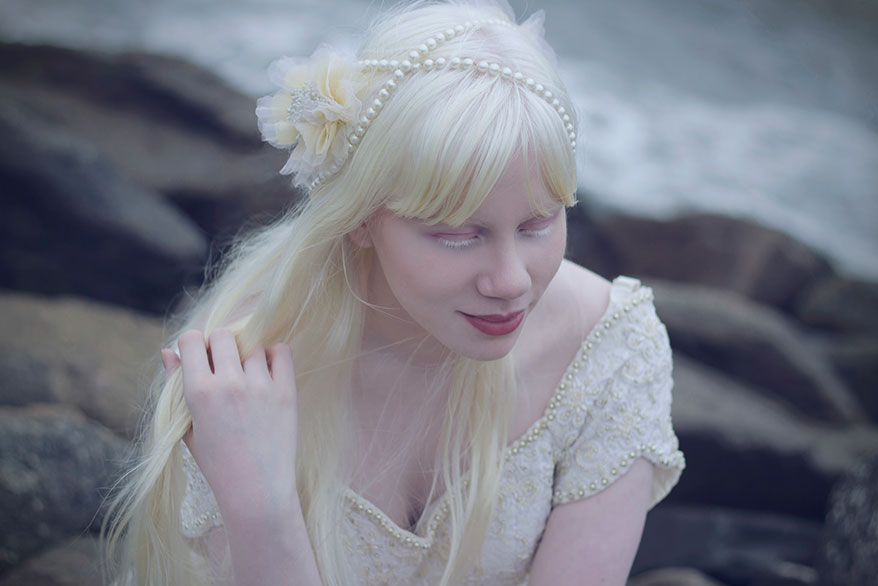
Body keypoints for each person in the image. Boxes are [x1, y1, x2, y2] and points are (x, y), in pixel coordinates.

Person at [104, 1, 685, 584]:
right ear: (360, 218)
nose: (510, 281)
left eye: (538, 225)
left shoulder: (610, 350)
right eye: (458, 235)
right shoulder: (244, 370)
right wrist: (262, 513)